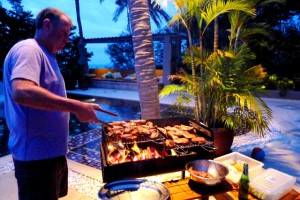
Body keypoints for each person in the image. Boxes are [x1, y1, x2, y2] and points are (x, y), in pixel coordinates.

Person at [3, 8, 103, 200]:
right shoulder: (29, 49)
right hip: (35, 158)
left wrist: (81, 108)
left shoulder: (46, 54)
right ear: (47, 25)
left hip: (50, 154)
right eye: (64, 33)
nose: (67, 39)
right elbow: (22, 91)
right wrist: (77, 106)